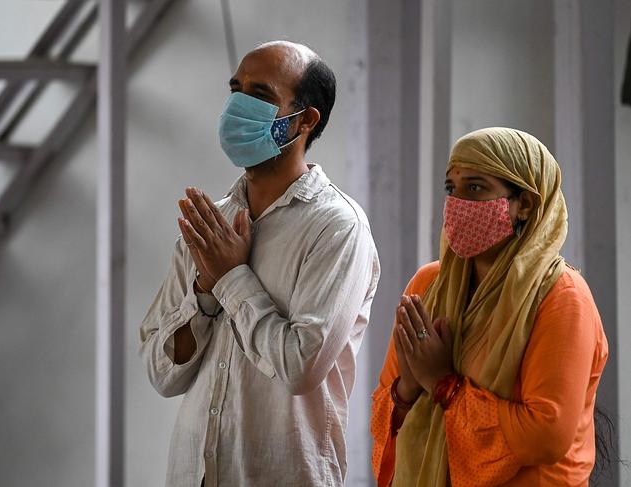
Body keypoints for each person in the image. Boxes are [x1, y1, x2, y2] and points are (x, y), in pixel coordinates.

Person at [140, 40, 380, 487]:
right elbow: (161, 374)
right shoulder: (209, 226)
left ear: (305, 120)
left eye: (261, 95)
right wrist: (205, 293)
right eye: (236, 89)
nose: (238, 104)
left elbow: (300, 368)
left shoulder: (337, 228)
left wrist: (232, 278)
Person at [370, 127, 608, 487]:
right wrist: (406, 388)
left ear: (525, 204)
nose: (457, 203)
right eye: (452, 189)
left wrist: (441, 384)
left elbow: (546, 434)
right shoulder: (429, 286)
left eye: (476, 188)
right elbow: (383, 414)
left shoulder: (561, 297)